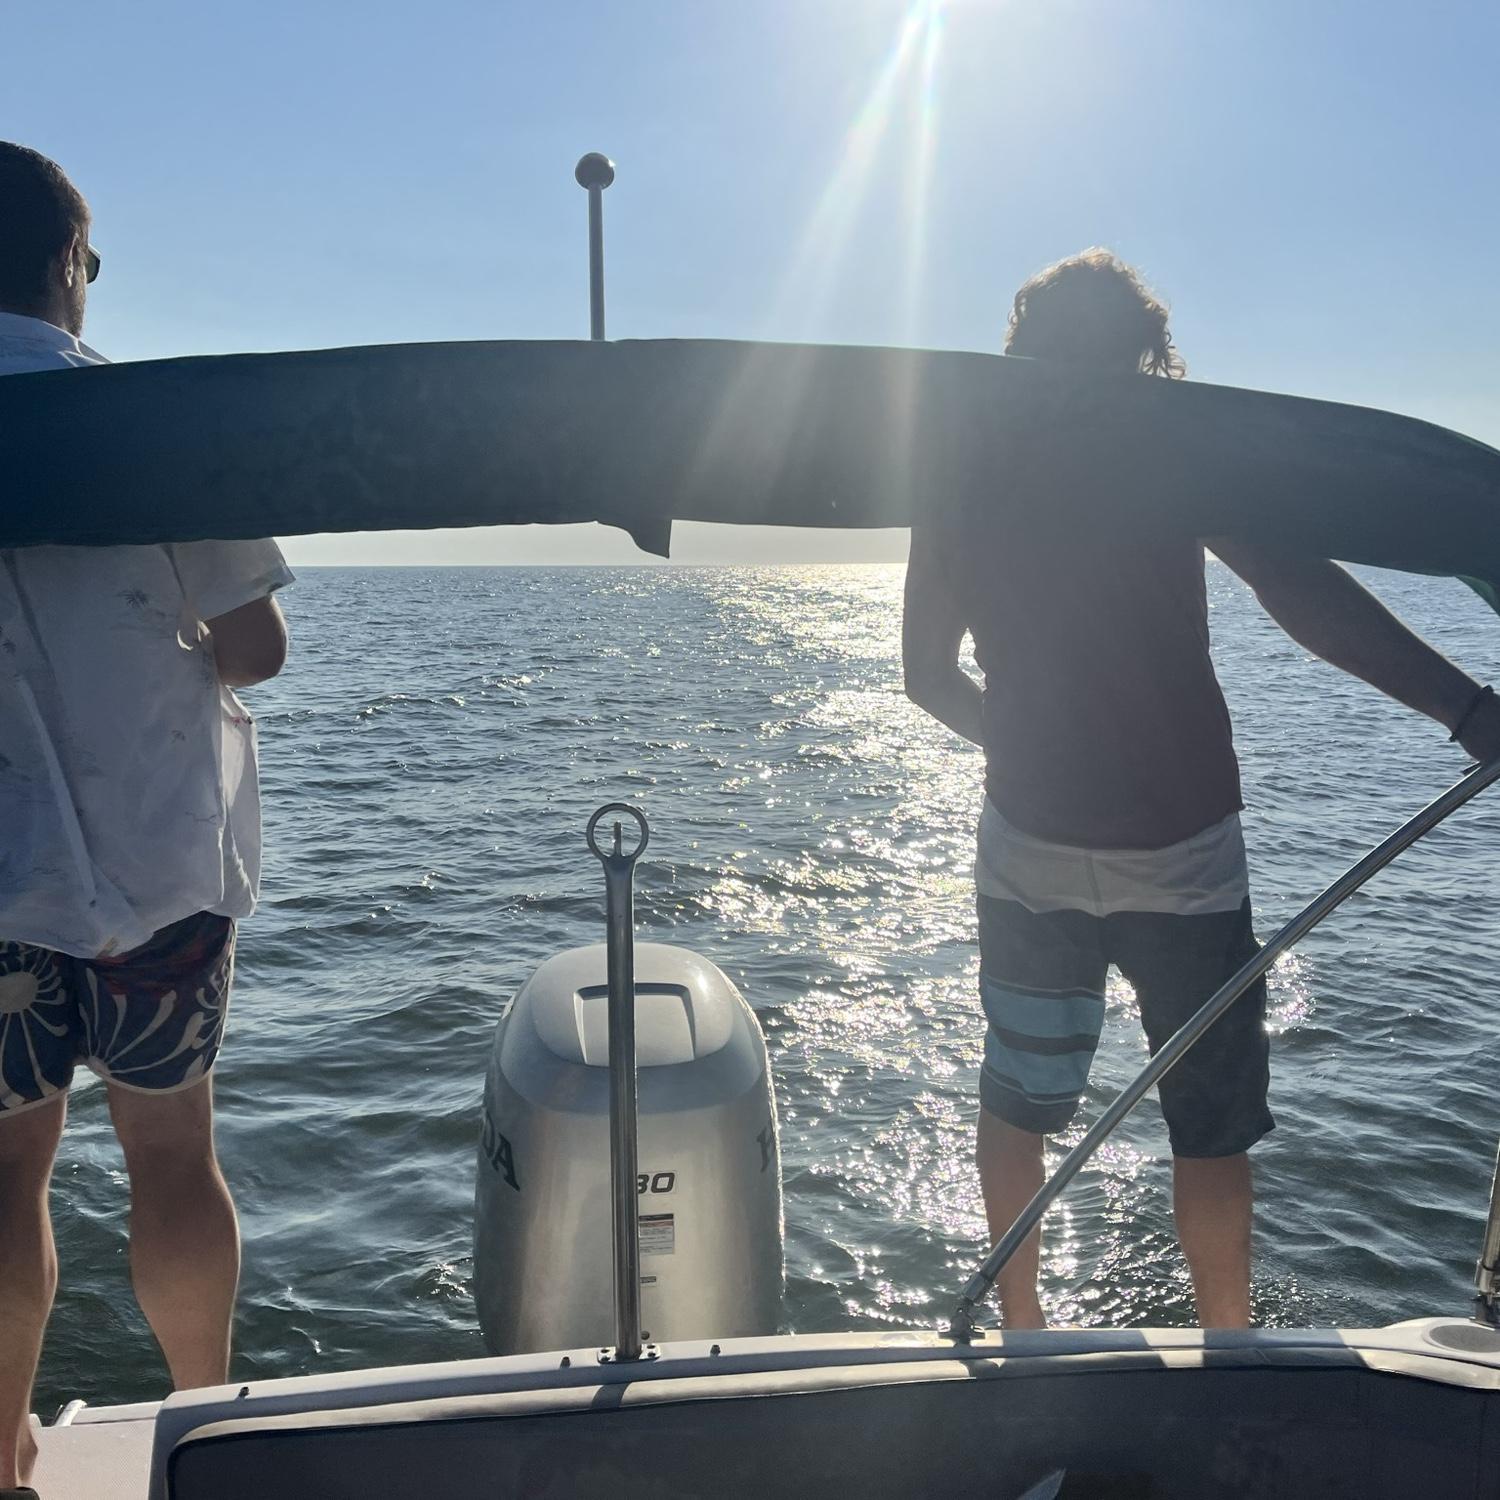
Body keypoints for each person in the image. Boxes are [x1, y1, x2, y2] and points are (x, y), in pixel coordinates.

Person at [902, 247, 1500, 1331]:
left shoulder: (962, 472)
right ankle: (1228, 1342)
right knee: (1210, 1125)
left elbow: (926, 675)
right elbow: (1303, 592)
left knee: (1020, 1099)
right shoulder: (1169, 448)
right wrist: (1466, 711)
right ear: (1146, 355)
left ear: (1022, 349)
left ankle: (1021, 1331)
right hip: (1182, 856)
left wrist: (1029, 745)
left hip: (1029, 849)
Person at [0, 143, 293, 1493]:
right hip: (159, 873)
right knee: (172, 1156)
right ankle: (204, 1432)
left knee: (7, 1175)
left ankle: (4, 1462)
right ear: (71, 262)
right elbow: (254, 647)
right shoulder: (160, 423)